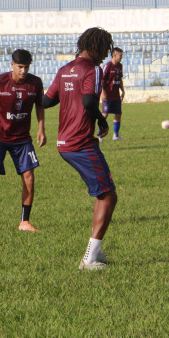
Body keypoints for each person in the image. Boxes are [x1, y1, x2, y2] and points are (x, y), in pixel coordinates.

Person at [42, 27, 118, 271]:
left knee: (101, 192)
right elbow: (88, 101)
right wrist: (103, 120)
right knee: (108, 195)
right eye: (105, 48)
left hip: (64, 143)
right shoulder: (93, 69)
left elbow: (47, 100)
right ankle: (90, 259)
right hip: (81, 143)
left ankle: (95, 252)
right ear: (94, 46)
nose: (106, 54)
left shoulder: (65, 69)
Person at [0, 49, 45, 233]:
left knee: (29, 177)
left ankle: (25, 222)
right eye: (20, 67)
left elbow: (40, 105)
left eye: (27, 67)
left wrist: (41, 128)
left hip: (22, 139)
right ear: (12, 64)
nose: (23, 71)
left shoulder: (36, 83)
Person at [100, 47, 125, 141]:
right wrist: (103, 93)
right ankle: (100, 135)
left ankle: (116, 135)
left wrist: (122, 90)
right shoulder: (107, 66)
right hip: (107, 95)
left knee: (118, 114)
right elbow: (101, 81)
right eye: (120, 55)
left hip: (116, 95)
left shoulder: (120, 66)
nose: (121, 57)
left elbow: (120, 79)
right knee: (105, 114)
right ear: (114, 55)